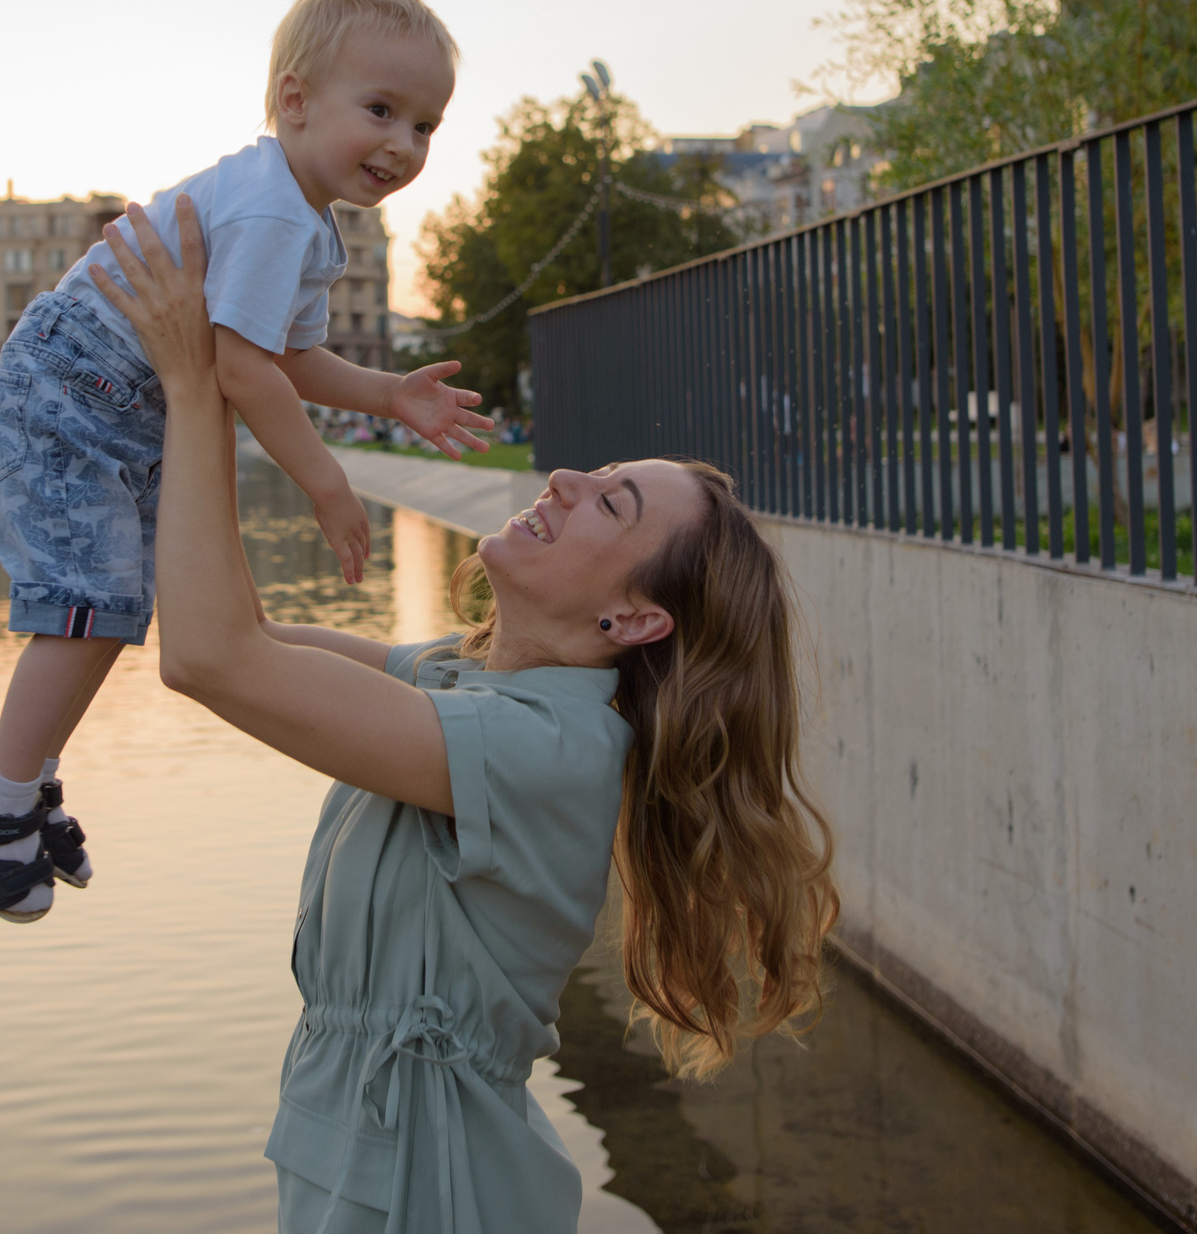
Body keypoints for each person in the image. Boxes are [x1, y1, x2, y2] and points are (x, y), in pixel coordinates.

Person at [93, 197, 838, 1232]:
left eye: (609, 503)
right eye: (600, 473)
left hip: (433, 1187)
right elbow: (239, 631)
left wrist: (194, 381)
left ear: (634, 615)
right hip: (365, 1151)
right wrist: (222, 379)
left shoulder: (550, 744)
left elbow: (212, 659)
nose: (568, 478)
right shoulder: (461, 676)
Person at [0, 0, 496, 926]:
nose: (403, 144)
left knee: (117, 600)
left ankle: (19, 779)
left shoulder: (302, 217)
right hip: (72, 394)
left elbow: (288, 354)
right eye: (382, 110)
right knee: (90, 602)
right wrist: (325, 481)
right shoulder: (276, 211)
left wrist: (389, 396)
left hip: (114, 398)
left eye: (426, 126)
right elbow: (239, 371)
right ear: (295, 102)